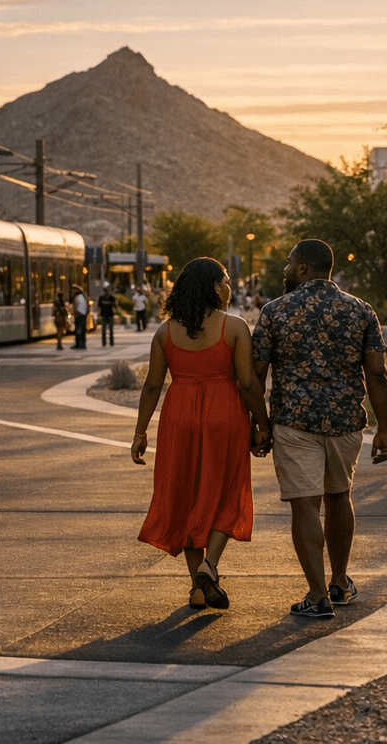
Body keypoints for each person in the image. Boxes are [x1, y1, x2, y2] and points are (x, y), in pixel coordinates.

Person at [252, 239, 387, 619]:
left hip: (294, 423)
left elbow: (256, 375)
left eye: (288, 263)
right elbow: (376, 373)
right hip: (346, 422)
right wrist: (385, 428)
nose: (284, 269)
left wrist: (258, 425)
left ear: (302, 269)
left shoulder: (275, 311)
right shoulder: (360, 310)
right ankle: (340, 583)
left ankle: (317, 596)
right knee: (339, 496)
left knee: (305, 505)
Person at [132, 258, 271, 610]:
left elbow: (151, 386)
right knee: (228, 488)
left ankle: (197, 586)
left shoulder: (165, 332)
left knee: (186, 494)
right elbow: (247, 382)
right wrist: (262, 423)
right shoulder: (235, 327)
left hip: (178, 415)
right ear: (212, 286)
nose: (228, 287)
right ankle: (209, 568)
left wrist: (140, 433)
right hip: (224, 412)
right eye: (224, 281)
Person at [71, 285, 89, 350]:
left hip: (79, 315)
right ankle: (82, 343)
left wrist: (74, 313)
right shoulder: (83, 297)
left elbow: (76, 307)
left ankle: (79, 344)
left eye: (73, 290)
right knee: (82, 330)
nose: (72, 291)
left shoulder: (77, 297)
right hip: (83, 315)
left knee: (79, 330)